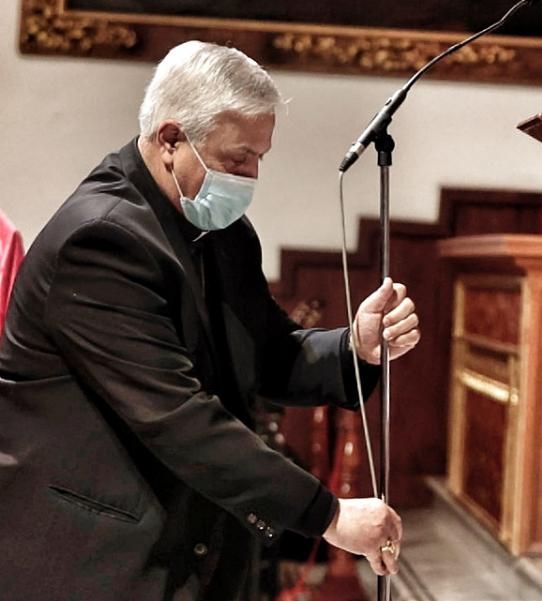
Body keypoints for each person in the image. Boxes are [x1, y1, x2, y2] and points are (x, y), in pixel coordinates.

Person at [0, 41, 421, 600]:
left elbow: (267, 352)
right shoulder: (100, 240)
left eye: (259, 158)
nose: (250, 177)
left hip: (199, 545)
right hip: (100, 558)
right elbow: (177, 416)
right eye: (237, 159)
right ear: (172, 139)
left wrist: (355, 349)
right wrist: (329, 515)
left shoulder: (223, 233)